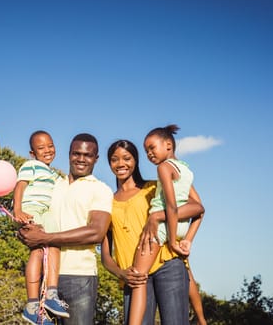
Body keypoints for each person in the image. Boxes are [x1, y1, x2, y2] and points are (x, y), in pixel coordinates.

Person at [101, 139, 206, 325]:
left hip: (167, 265)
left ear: (135, 161)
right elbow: (106, 255)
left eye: (127, 158)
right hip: (134, 277)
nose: (121, 164)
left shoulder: (153, 188)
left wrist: (157, 215)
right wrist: (121, 273)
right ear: (109, 163)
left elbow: (196, 207)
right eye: (114, 159)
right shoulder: (106, 202)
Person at [18, 133, 113, 325]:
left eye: (87, 155)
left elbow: (96, 232)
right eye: (76, 153)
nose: (81, 159)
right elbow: (33, 212)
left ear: (96, 158)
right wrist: (24, 230)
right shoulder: (53, 184)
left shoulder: (101, 189)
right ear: (69, 154)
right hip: (46, 277)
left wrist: (44, 238)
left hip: (79, 277)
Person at [127, 125, 205, 325]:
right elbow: (200, 209)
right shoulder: (186, 170)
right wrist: (187, 238)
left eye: (152, 148)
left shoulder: (163, 168)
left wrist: (171, 240)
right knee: (185, 272)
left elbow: (170, 206)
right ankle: (202, 319)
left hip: (160, 229)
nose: (149, 154)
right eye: (146, 151)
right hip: (179, 226)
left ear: (168, 145)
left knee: (138, 279)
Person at [13, 130, 69, 324]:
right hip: (31, 210)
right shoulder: (31, 165)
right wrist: (17, 210)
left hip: (46, 213)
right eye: (41, 148)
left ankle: (51, 294)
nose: (47, 150)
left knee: (54, 244)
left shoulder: (53, 174)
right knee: (37, 251)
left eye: (50, 146)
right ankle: (32, 305)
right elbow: (20, 186)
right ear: (32, 153)